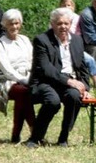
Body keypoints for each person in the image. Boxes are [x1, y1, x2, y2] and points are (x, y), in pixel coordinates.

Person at [26, 8, 90, 148]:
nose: (63, 27)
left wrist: (84, 87)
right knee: (53, 101)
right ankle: (35, 138)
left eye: (66, 23)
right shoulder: (41, 40)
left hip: (68, 83)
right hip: (45, 81)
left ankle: (63, 138)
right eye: (59, 23)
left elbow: (82, 67)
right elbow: (46, 69)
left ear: (71, 24)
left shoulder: (77, 40)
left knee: (74, 97)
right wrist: (69, 81)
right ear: (52, 24)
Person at [0, 9, 35, 143]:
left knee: (24, 94)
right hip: (6, 81)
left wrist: (30, 77)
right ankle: (34, 130)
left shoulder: (25, 40)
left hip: (27, 78)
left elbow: (32, 61)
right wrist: (22, 79)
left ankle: (16, 136)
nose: (14, 27)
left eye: (16, 23)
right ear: (5, 25)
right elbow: (7, 70)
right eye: (11, 24)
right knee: (24, 92)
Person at [58, 0, 96, 90]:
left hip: (75, 47)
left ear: (73, 7)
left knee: (89, 60)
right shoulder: (56, 18)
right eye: (64, 5)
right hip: (59, 47)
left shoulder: (77, 18)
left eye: (69, 5)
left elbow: (78, 35)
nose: (66, 7)